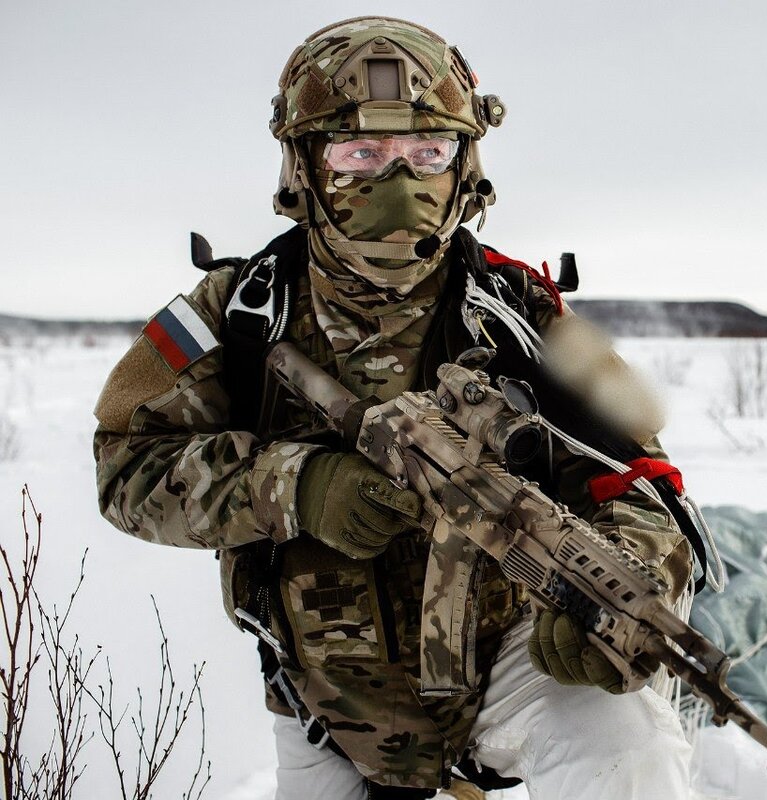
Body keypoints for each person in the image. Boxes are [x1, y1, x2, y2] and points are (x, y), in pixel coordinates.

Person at [93, 16, 695, 800]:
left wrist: (624, 580)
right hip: (323, 695)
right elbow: (124, 467)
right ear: (306, 164)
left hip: (514, 658)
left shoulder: (519, 313)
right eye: (362, 153)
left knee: (631, 753)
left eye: (428, 152)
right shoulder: (236, 312)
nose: (399, 182)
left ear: (464, 163)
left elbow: (643, 481)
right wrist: (295, 485)